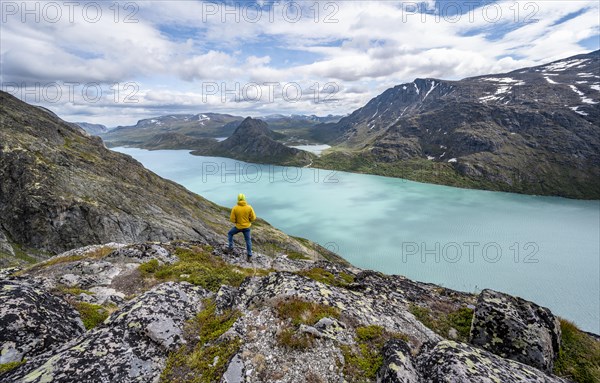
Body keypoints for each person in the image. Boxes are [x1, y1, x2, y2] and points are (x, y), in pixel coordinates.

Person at [227, 193, 256, 261]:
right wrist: (249, 221)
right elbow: (253, 218)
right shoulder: (249, 207)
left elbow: (232, 219)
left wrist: (237, 222)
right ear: (244, 199)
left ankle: (230, 247)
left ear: (238, 199)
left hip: (238, 227)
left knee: (230, 234)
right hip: (246, 227)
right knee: (248, 241)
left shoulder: (235, 208)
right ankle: (249, 255)